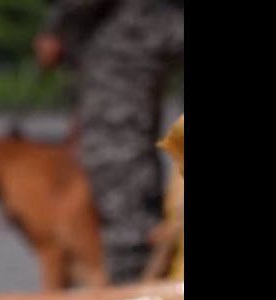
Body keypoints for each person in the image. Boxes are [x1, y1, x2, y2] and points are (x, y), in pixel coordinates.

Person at [34, 0, 184, 285]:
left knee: (125, 222)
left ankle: (135, 294)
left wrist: (58, 26)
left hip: (133, 29)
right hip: (137, 27)